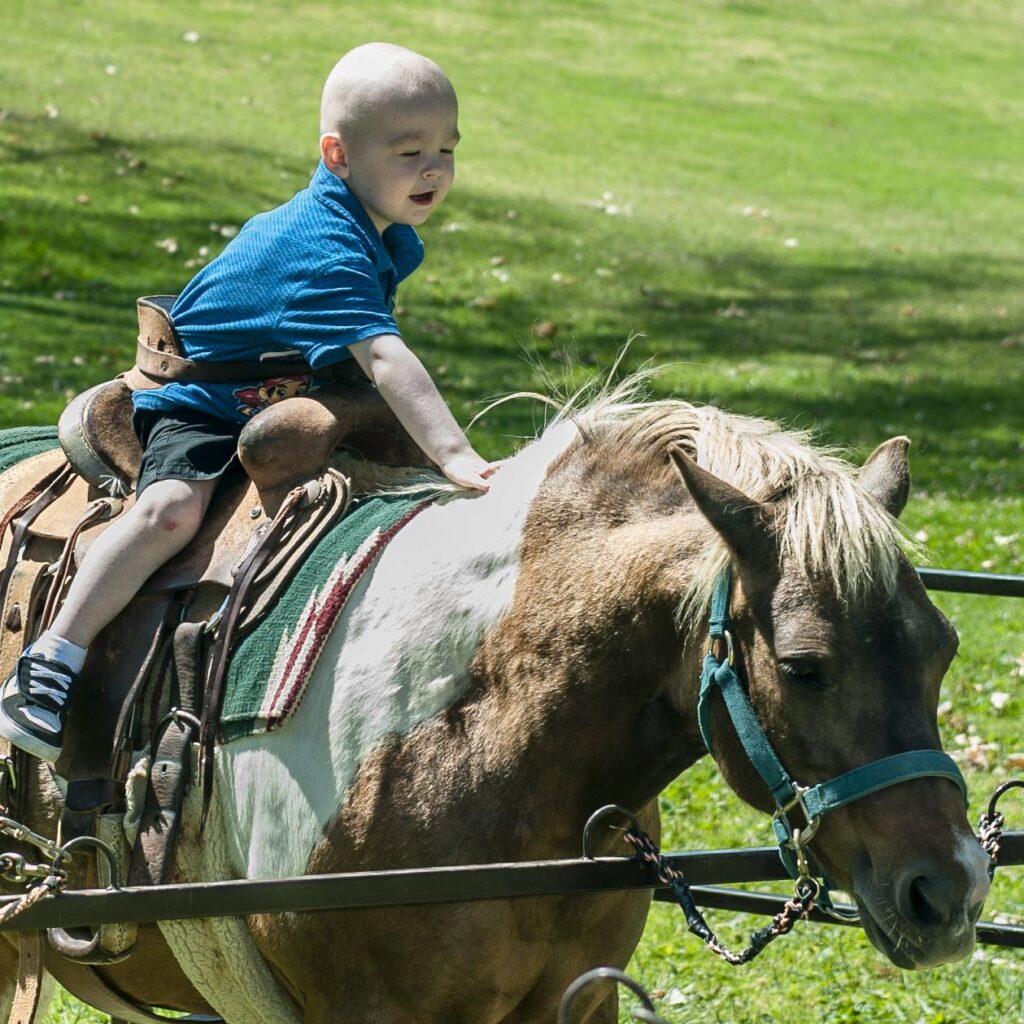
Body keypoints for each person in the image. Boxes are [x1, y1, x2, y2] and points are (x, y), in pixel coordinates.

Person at [0, 42, 498, 762]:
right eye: (410, 150)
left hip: (283, 387)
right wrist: (457, 456)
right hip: (206, 399)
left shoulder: (378, 228)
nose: (433, 169)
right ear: (339, 156)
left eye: (447, 150)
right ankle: (51, 661)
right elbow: (385, 357)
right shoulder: (325, 244)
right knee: (172, 512)